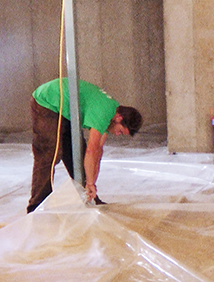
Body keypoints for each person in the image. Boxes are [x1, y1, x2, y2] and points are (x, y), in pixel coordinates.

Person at [27, 78, 143, 213]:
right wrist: (89, 183)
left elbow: (97, 152)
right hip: (47, 101)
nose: (117, 134)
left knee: (76, 154)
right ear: (119, 118)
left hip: (66, 109)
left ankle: (89, 197)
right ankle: (36, 207)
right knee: (49, 154)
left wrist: (91, 183)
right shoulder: (103, 114)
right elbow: (91, 151)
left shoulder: (111, 112)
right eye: (120, 131)